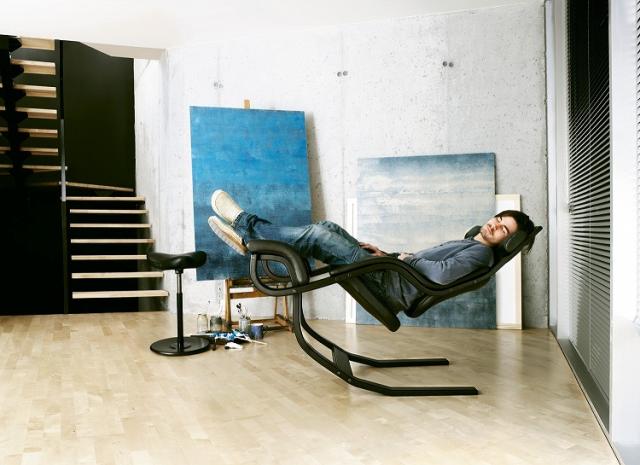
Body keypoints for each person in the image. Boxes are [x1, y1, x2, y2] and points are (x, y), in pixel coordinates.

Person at [208, 190, 535, 313]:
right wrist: (387, 254)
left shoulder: (480, 256)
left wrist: (401, 259)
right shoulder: (472, 244)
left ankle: (246, 228)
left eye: (503, 230)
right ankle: (257, 243)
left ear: (507, 242)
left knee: (320, 235)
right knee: (328, 227)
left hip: (389, 285)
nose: (495, 225)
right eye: (498, 219)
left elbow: (438, 275)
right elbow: (421, 265)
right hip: (390, 272)